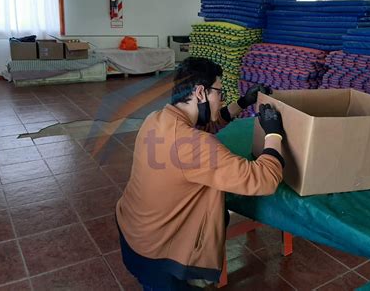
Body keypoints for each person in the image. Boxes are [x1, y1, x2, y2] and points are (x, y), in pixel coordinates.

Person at [116, 57, 285, 290]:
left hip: (134, 233)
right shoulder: (194, 145)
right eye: (219, 92)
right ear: (200, 92)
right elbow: (264, 180)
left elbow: (207, 124)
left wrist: (243, 102)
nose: (221, 97)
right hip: (162, 258)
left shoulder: (157, 119)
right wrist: (274, 134)